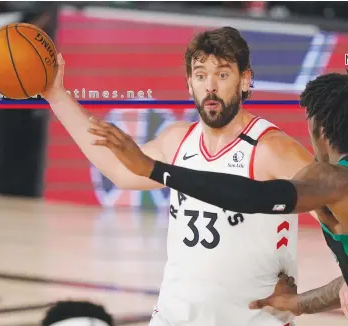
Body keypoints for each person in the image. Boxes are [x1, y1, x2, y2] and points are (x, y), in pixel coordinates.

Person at [90, 69, 348, 326]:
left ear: (320, 129)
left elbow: (255, 196)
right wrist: (299, 304)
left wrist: (156, 169)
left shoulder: (336, 180)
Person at [42, 27, 329, 326]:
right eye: (201, 75)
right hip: (174, 317)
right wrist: (56, 96)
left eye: (222, 74)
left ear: (245, 80)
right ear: (189, 84)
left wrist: (331, 291)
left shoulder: (271, 148)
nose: (211, 87)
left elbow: (337, 209)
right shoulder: (177, 140)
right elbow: (118, 170)